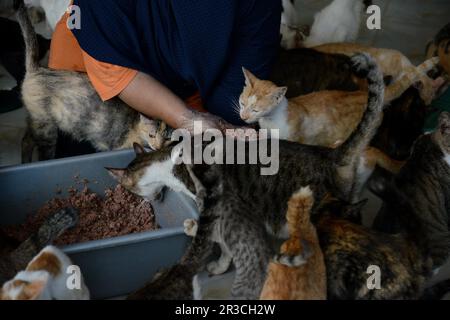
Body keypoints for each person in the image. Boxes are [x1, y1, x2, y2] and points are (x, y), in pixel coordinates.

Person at [49, 0, 282, 131]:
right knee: (93, 170)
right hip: (93, 72)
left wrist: (217, 123)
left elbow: (242, 77)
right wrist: (184, 117)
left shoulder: (259, 6)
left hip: (187, 76)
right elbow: (116, 72)